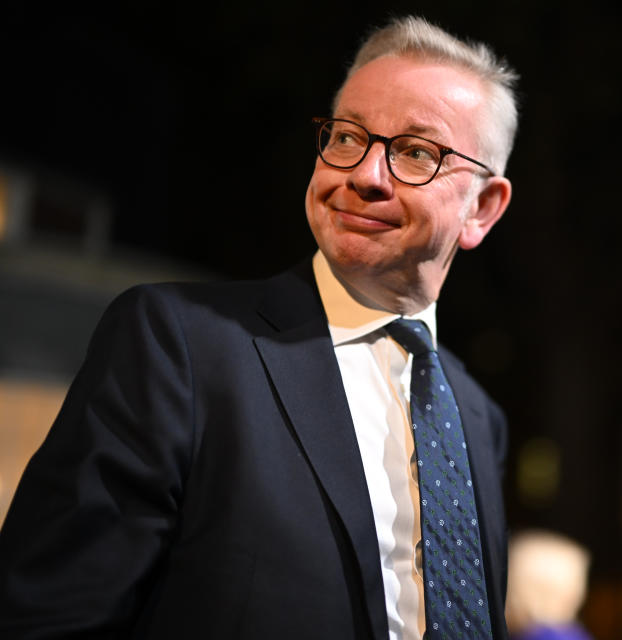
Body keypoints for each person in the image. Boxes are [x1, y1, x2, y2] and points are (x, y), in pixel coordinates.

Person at [0, 16, 517, 640]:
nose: (364, 175)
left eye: (415, 152)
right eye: (348, 137)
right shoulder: (179, 344)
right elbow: (50, 615)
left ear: (482, 209)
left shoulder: (478, 418)